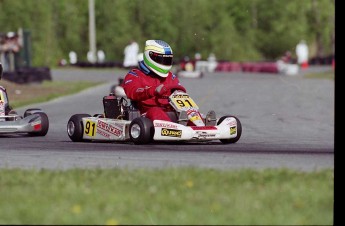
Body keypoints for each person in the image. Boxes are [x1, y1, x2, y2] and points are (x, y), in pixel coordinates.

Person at [122, 40, 186, 122]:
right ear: (150, 56)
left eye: (167, 60)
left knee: (188, 111)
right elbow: (133, 92)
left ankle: (201, 128)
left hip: (170, 112)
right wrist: (153, 90)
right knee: (155, 111)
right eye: (162, 60)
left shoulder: (171, 76)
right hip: (145, 115)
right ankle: (171, 129)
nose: (164, 63)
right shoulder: (135, 75)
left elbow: (179, 91)